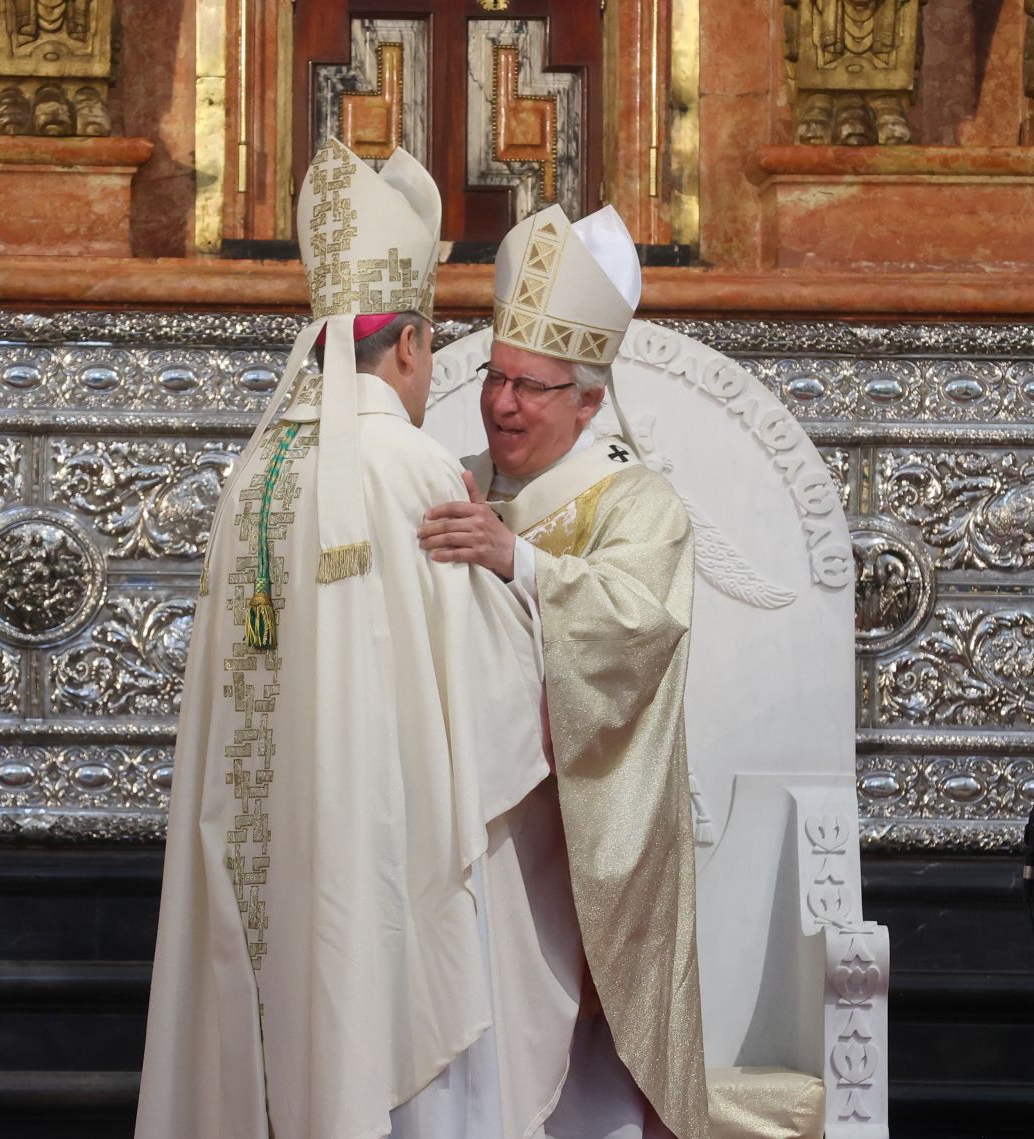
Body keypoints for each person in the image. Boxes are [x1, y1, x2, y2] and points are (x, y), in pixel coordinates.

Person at [137, 140, 602, 1139]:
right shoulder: (414, 466)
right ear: (408, 345)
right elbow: (499, 711)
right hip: (383, 867)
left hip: (265, 859)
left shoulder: (251, 472)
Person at [419, 204, 712, 1139]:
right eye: (496, 378)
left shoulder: (639, 503)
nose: (503, 404)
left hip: (575, 827)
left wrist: (522, 563)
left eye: (534, 388)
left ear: (589, 400)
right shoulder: (454, 477)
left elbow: (640, 625)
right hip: (463, 826)